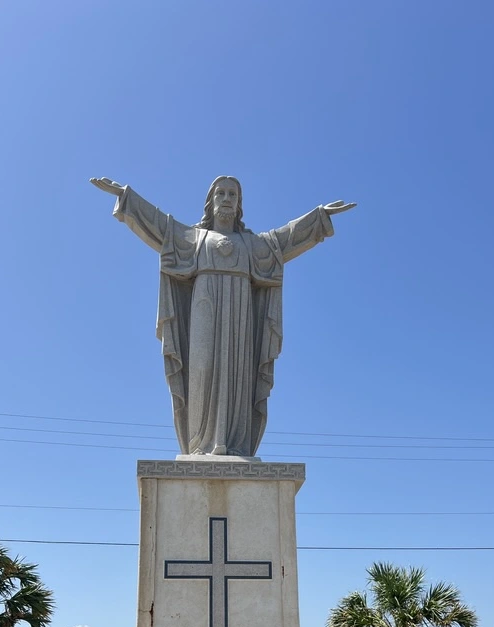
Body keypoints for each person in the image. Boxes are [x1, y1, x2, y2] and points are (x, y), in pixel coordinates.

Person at [91, 175, 354, 457]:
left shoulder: (251, 244)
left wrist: (318, 218)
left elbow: (284, 239)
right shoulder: (194, 238)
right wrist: (127, 197)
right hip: (204, 306)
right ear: (211, 201)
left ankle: (235, 444)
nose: (227, 199)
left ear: (239, 203)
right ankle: (199, 444)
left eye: (232, 194)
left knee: (238, 373)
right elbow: (161, 226)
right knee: (201, 370)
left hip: (241, 313)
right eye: (221, 194)